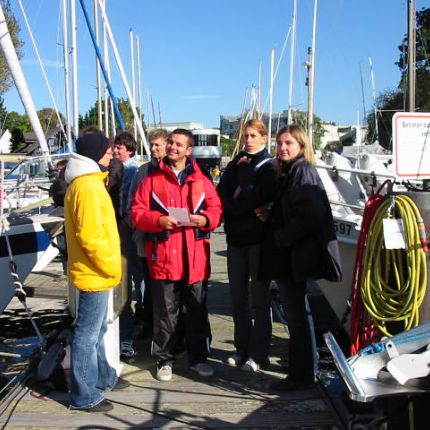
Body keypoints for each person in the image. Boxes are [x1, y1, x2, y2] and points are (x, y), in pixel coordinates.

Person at [131, 128, 222, 382]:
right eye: (170, 142)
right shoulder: (151, 179)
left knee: (196, 311)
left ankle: (198, 358)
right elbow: (137, 212)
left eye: (178, 144)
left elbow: (216, 210)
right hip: (164, 257)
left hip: (195, 259)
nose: (172, 147)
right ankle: (163, 360)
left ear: (188, 150)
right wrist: (159, 220)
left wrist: (203, 219)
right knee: (165, 313)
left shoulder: (202, 180)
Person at [260, 125, 341, 391]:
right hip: (291, 256)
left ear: (301, 146)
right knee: (297, 313)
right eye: (280, 143)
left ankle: (302, 375)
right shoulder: (291, 172)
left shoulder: (303, 172)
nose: (282, 148)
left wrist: (281, 236)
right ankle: (304, 367)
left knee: (296, 315)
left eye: (288, 143)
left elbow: (310, 215)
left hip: (295, 256)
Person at [64, 132, 129, 412]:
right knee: (87, 333)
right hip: (95, 273)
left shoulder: (86, 183)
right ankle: (84, 394)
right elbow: (91, 236)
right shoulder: (89, 187)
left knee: (97, 329)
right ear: (95, 153)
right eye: (106, 149)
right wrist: (111, 265)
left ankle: (104, 377)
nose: (111, 153)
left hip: (94, 271)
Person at [217, 119, 277, 372]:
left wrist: (243, 199)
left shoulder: (268, 166)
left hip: (259, 242)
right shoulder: (235, 163)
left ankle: (259, 353)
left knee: (260, 299)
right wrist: (243, 207)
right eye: (246, 136)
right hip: (236, 239)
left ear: (264, 138)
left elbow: (258, 197)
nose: (248, 140)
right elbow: (222, 195)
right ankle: (242, 348)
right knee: (238, 297)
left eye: (253, 136)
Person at [127, 128, 169, 338]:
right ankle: (149, 323)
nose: (153, 149)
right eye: (151, 145)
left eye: (157, 145)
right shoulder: (142, 172)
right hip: (145, 238)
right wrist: (137, 226)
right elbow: (131, 202)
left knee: (166, 287)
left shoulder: (172, 171)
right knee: (148, 281)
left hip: (169, 239)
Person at [113, 131, 143, 360]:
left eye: (120, 147)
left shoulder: (132, 169)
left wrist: (127, 222)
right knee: (133, 273)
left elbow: (130, 200)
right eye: (115, 147)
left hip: (129, 228)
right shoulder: (121, 169)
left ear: (129, 150)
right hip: (125, 227)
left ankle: (139, 311)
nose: (116, 150)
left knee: (135, 272)